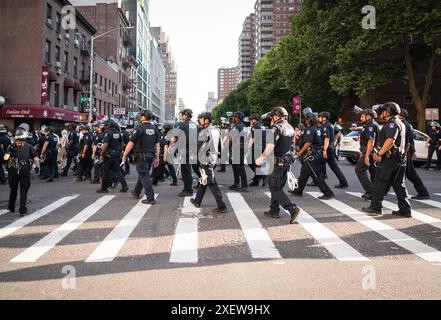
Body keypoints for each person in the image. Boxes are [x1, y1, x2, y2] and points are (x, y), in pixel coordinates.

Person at [362, 102, 412, 218]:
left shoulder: (392, 124)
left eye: (382, 112)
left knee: (379, 182)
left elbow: (390, 140)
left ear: (387, 112)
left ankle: (376, 208)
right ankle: (405, 210)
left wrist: (379, 154)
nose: (380, 114)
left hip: (390, 159)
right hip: (399, 158)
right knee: (399, 184)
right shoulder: (400, 123)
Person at [255, 107, 301, 224]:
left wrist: (262, 158)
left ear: (276, 116)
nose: (271, 119)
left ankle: (292, 209)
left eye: (272, 117)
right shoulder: (289, 127)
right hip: (286, 161)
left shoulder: (276, 128)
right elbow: (292, 145)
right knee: (277, 187)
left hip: (277, 162)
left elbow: (271, 145)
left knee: (275, 188)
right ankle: (274, 210)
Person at [289, 112, 335, 199]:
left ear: (309, 120)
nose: (305, 120)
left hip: (311, 155)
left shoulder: (309, 129)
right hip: (314, 154)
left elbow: (308, 143)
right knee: (304, 174)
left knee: (316, 175)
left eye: (306, 119)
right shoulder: (316, 128)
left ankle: (328, 192)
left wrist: (300, 152)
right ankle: (298, 190)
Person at [190, 113, 228, 213]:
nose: (200, 121)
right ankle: (197, 201)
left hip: (206, 159)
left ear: (207, 120)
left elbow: (199, 145)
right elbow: (220, 145)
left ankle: (221, 205)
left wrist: (193, 154)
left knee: (211, 181)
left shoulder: (205, 132)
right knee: (205, 178)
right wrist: (220, 158)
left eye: (201, 119)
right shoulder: (216, 130)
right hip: (213, 158)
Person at [122, 111, 160, 205]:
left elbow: (131, 143)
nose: (140, 117)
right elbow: (157, 145)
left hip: (141, 156)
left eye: (141, 116)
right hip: (150, 156)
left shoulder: (139, 127)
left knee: (144, 176)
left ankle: (150, 198)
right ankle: (136, 192)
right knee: (143, 174)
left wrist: (124, 155)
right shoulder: (154, 128)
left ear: (144, 117)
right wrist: (157, 157)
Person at [3, 128, 40, 216]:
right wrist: (37, 167)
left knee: (13, 189)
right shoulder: (29, 146)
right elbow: (36, 159)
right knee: (23, 190)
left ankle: (11, 207)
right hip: (24, 169)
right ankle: (22, 210)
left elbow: (5, 158)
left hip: (13, 170)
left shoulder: (11, 146)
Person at [399, 109, 430, 200]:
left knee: (409, 173)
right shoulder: (406, 124)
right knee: (409, 173)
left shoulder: (404, 125)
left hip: (405, 152)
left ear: (401, 115)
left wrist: (411, 152)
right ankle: (423, 192)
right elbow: (411, 141)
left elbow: (408, 141)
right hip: (407, 152)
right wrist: (413, 152)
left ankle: (423, 193)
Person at [170, 109, 198, 197]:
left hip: (184, 150)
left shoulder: (181, 124)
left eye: (183, 115)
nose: (182, 116)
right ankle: (188, 188)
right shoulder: (195, 125)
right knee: (188, 169)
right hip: (193, 150)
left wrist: (170, 147)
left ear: (186, 115)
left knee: (185, 170)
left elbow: (174, 138)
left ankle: (188, 189)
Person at [97, 120, 129, 194]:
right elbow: (121, 144)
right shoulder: (118, 133)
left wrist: (101, 153)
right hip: (116, 154)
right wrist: (120, 152)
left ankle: (103, 188)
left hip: (108, 155)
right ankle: (124, 186)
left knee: (105, 172)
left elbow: (105, 145)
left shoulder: (107, 133)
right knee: (118, 170)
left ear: (108, 126)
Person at [319, 111, 349, 188]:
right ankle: (343, 182)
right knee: (333, 167)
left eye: (320, 117)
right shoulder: (331, 125)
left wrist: (325, 149)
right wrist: (333, 142)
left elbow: (327, 138)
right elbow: (337, 133)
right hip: (330, 149)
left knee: (316, 165)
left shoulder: (325, 126)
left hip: (327, 149)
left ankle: (318, 182)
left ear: (324, 118)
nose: (319, 118)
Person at [355, 109, 379, 200]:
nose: (360, 118)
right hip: (371, 152)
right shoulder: (369, 125)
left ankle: (370, 191)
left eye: (362, 116)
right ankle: (376, 191)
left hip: (369, 152)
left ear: (369, 116)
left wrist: (366, 156)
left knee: (359, 169)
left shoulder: (371, 126)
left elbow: (371, 141)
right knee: (374, 172)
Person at [229, 111, 248, 192]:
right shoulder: (243, 126)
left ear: (237, 117)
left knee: (239, 168)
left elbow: (231, 137)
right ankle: (237, 183)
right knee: (237, 167)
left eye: (234, 117)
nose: (233, 118)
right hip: (241, 148)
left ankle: (243, 185)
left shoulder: (237, 126)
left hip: (237, 148)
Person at [248, 114, 267, 187]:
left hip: (257, 147)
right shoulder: (262, 126)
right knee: (257, 164)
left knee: (252, 163)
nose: (251, 121)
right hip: (262, 146)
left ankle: (263, 176)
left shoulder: (255, 127)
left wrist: (248, 147)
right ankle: (256, 180)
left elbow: (254, 139)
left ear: (255, 120)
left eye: (252, 119)